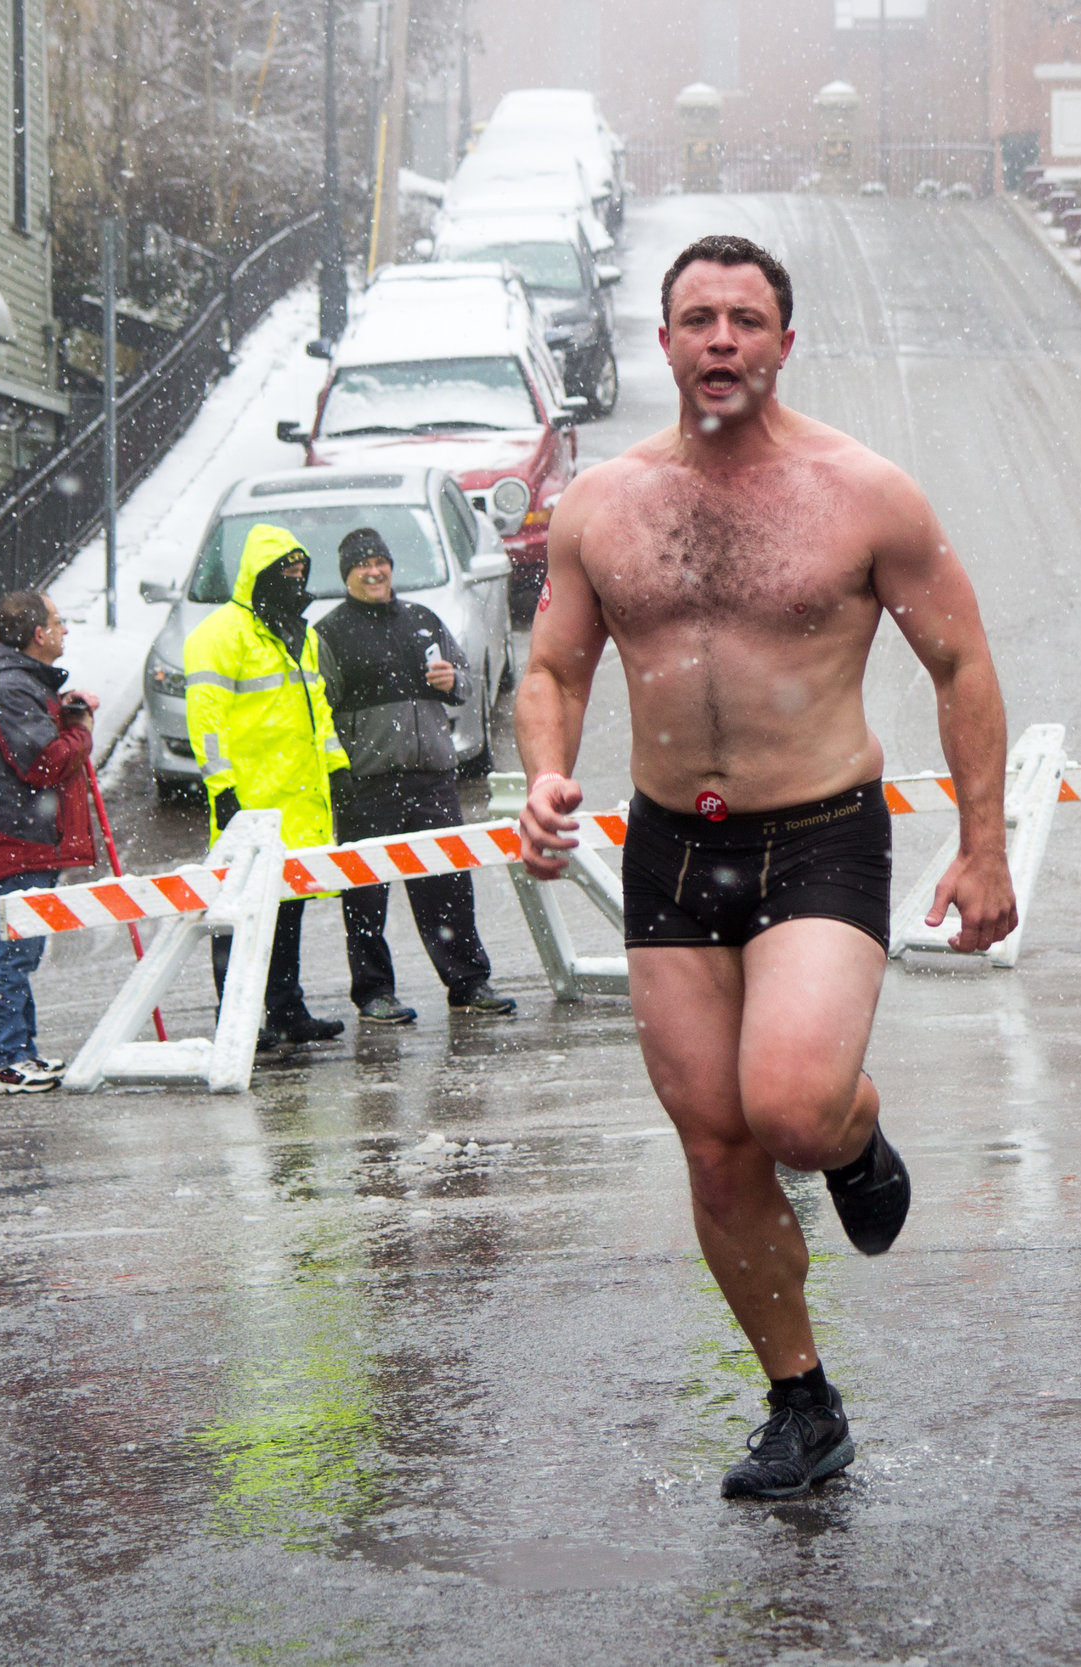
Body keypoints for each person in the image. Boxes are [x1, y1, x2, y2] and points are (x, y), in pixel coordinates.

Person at [515, 234, 1017, 1500]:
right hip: (673, 844)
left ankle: (852, 1131)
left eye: (746, 319)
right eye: (698, 319)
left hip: (820, 833)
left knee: (788, 1107)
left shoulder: (864, 493)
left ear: (784, 343)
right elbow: (555, 668)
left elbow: (960, 662)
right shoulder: (603, 504)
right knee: (717, 1143)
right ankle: (801, 1399)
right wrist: (542, 771)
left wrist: (983, 843)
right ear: (665, 341)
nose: (721, 339)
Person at [314, 526, 516, 1024]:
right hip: (368, 785)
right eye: (362, 564)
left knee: (447, 885)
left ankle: (468, 983)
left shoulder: (423, 621)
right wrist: (341, 774)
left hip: (433, 778)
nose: (374, 571)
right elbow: (319, 710)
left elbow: (468, 683)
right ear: (347, 575)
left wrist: (455, 682)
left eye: (380, 561)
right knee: (365, 895)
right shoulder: (329, 634)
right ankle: (374, 993)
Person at [184, 522, 353, 1046]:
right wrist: (223, 787)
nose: (297, 581)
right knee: (238, 913)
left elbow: (315, 707)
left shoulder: (299, 633)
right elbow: (205, 721)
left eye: (302, 572)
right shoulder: (219, 637)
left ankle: (285, 1009)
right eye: (288, 572)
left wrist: (336, 765)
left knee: (288, 911)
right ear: (260, 576)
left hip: (297, 799)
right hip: (251, 802)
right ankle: (235, 1018)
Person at [0, 590, 97, 1093]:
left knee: (21, 948)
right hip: (18, 835)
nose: (65, 630)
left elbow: (38, 743)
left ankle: (21, 1051)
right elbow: (43, 762)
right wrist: (80, 730)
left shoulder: (18, 683)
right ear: (38, 633)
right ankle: (6, 1059)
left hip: (26, 833)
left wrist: (63, 715)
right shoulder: (8, 687)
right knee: (14, 950)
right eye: (59, 622)